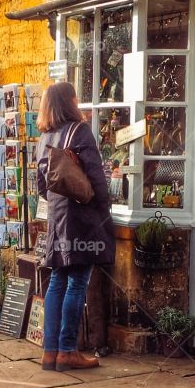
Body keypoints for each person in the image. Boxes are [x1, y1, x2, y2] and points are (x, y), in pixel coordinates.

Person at [35, 82, 115, 372]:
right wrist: (103, 207)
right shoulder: (79, 131)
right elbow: (96, 176)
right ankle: (67, 351)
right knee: (78, 281)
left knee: (57, 280)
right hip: (82, 216)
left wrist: (59, 202)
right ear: (69, 101)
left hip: (57, 216)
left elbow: (42, 186)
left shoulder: (44, 136)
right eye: (75, 98)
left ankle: (50, 351)